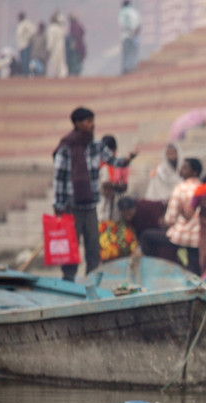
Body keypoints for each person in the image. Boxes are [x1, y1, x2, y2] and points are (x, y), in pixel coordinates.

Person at [52, 106, 137, 281]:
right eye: (88, 121)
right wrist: (58, 205)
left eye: (93, 121)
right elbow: (59, 178)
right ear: (77, 123)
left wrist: (128, 159)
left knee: (93, 246)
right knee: (71, 246)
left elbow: (113, 160)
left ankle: (92, 281)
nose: (92, 125)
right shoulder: (66, 146)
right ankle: (68, 280)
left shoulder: (96, 145)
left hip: (90, 205)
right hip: (71, 206)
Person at [139, 157, 203, 272]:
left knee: (146, 236)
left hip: (180, 236)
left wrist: (164, 221)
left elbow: (170, 219)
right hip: (197, 238)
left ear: (194, 172)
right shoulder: (202, 187)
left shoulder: (180, 188)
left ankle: (152, 268)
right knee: (194, 266)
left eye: (185, 167)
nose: (181, 169)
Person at [119, 0, 141, 75]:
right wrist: (135, 32)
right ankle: (132, 67)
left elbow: (121, 24)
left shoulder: (122, 13)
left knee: (126, 53)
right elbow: (139, 24)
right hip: (134, 35)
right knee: (133, 52)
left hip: (125, 36)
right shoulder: (134, 12)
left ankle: (126, 68)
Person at [45, 13, 68, 79]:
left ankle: (54, 74)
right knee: (61, 60)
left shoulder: (51, 28)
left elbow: (50, 40)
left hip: (55, 48)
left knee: (54, 61)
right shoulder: (60, 28)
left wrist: (49, 48)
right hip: (61, 46)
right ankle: (63, 74)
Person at [15, 12, 36, 77]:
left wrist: (27, 38)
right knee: (22, 61)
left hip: (26, 45)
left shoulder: (27, 23)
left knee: (26, 61)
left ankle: (27, 75)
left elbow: (33, 31)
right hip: (21, 46)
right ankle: (24, 74)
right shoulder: (20, 24)